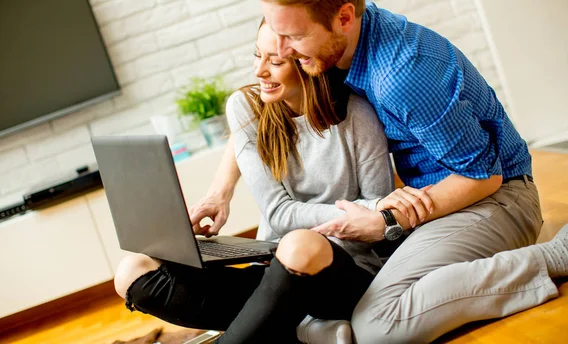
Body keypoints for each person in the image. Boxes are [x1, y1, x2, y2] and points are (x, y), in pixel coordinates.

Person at [189, 0, 568, 342]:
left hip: (498, 197)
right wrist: (221, 191)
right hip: (438, 199)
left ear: (344, 18)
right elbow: (260, 111)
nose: (281, 51)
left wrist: (386, 220)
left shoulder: (401, 77)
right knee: (363, 305)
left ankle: (553, 256)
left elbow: (484, 176)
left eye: (292, 36)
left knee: (377, 328)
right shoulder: (336, 40)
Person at [113, 19, 401, 344]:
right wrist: (363, 210)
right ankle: (276, 326)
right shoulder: (248, 108)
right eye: (257, 55)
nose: (259, 71)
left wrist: (370, 212)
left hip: (340, 274)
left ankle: (265, 327)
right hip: (271, 269)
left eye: (274, 62)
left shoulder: (358, 116)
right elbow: (280, 213)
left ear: (310, 63)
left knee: (299, 243)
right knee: (132, 271)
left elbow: (376, 225)